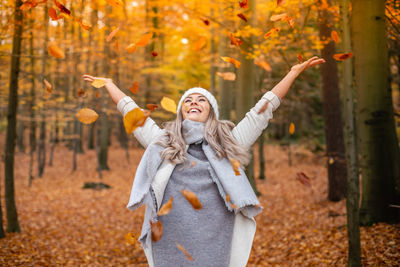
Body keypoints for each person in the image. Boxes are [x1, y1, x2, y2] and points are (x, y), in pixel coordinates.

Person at [83, 56, 325, 267]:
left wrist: (292, 73)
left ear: (211, 111)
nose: (194, 103)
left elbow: (261, 111)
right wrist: (110, 85)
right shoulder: (164, 143)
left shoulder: (230, 142)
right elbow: (133, 114)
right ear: (181, 112)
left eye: (201, 100)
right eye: (188, 101)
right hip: (171, 233)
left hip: (216, 235)